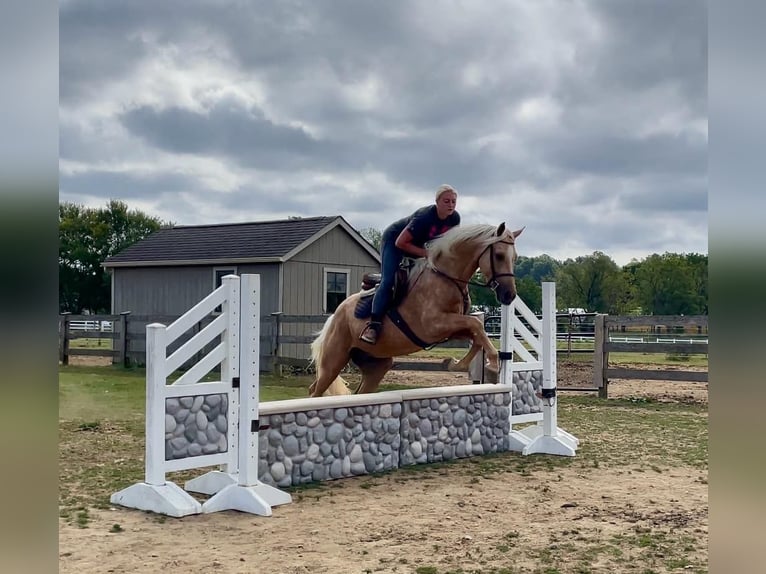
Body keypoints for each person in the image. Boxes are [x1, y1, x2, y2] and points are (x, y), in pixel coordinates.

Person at [360, 184, 461, 345]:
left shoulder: (455, 219)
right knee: (388, 281)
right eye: (446, 201)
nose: (450, 205)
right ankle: (373, 326)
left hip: (418, 245)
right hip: (394, 241)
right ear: (437, 202)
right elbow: (401, 242)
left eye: (453, 202)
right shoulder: (424, 217)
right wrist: (426, 254)